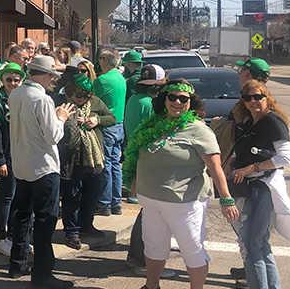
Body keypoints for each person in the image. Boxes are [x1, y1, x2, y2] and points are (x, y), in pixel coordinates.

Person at [124, 79, 239, 289]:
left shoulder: (198, 130)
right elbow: (139, 156)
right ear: (164, 100)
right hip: (151, 200)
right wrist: (134, 180)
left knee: (192, 250)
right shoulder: (152, 124)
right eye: (172, 97)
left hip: (185, 203)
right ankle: (151, 286)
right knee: (153, 247)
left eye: (183, 98)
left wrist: (226, 198)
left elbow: (215, 167)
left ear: (191, 102)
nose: (177, 102)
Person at [8, 54, 76, 288]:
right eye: (51, 77)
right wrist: (61, 117)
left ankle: (17, 264)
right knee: (45, 222)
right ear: (45, 75)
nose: (52, 81)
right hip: (43, 167)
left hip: (22, 164)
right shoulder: (43, 99)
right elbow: (53, 136)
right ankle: (42, 274)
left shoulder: (15, 93)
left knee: (22, 216)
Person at [228, 81, 290, 289]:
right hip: (250, 188)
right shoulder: (251, 122)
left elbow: (285, 157)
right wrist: (231, 164)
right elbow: (240, 150)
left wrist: (251, 168)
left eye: (257, 97)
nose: (253, 101)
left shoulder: (272, 121)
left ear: (267, 98)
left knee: (250, 244)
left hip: (264, 187)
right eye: (248, 98)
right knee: (259, 243)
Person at [124, 64, 175, 280]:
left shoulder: (135, 99)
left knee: (147, 210)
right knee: (151, 213)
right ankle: (142, 260)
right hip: (148, 160)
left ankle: (136, 256)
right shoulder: (149, 105)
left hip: (136, 157)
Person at [58, 73, 114, 250]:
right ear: (70, 91)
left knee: (92, 192)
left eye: (85, 96)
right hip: (72, 157)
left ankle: (86, 225)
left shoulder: (96, 102)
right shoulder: (61, 102)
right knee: (72, 194)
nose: (81, 99)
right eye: (78, 96)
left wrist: (97, 120)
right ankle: (72, 232)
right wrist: (73, 121)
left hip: (94, 157)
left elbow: (112, 118)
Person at [0, 62, 25, 256]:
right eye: (9, 79)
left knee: (18, 198)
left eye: (16, 80)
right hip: (5, 157)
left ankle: (12, 235)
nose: (13, 83)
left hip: (21, 156)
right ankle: (0, 238)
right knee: (6, 196)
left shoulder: (22, 98)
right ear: (2, 80)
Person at [92, 47, 126, 216]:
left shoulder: (102, 80)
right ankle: (116, 202)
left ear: (105, 60)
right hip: (119, 124)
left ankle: (104, 203)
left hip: (105, 126)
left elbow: (91, 100)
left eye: (101, 59)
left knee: (104, 165)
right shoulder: (121, 78)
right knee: (115, 165)